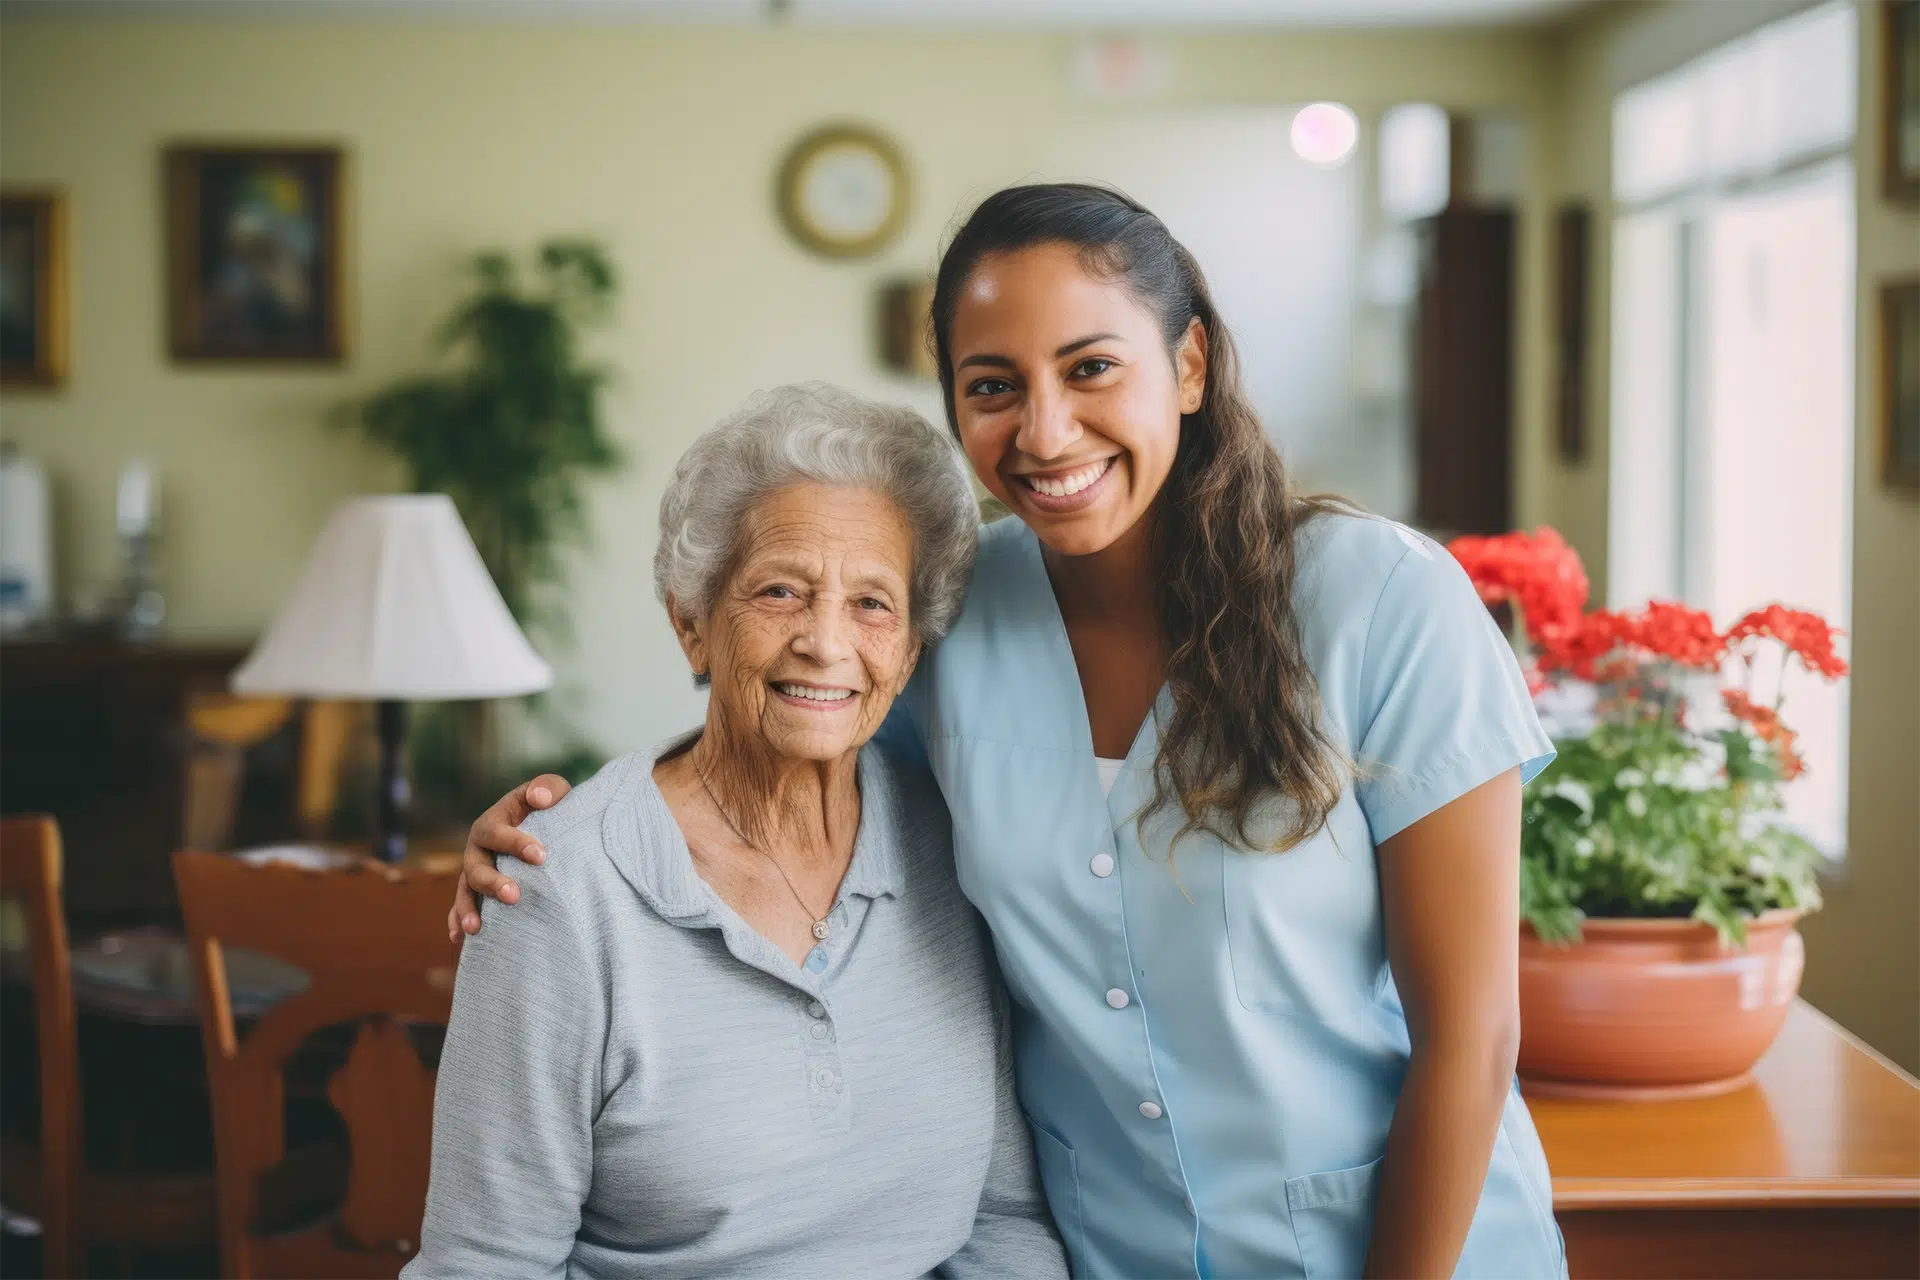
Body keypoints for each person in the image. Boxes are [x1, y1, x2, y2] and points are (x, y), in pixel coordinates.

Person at [453, 184, 1566, 1280]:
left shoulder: (1383, 602)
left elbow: (1471, 1039)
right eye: (992, 385)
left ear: (1188, 365)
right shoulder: (947, 613)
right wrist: (572, 843)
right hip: (1107, 1256)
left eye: (1091, 368)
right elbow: (791, 730)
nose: (1044, 430)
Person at [405, 383, 1067, 1279]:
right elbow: (487, 1265)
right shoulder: (561, 888)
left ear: (911, 650)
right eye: (781, 591)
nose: (825, 641)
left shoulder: (955, 845)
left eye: (872, 603)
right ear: (692, 625)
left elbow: (1002, 1220)